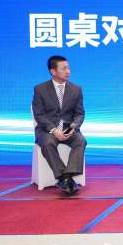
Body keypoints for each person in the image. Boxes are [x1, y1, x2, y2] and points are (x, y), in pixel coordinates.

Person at [32, 55, 86, 195]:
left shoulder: (76, 89)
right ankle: (64, 177)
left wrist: (74, 126)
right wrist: (54, 130)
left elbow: (80, 113)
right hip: (47, 130)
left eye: (69, 68)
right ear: (53, 71)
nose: (68, 71)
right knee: (48, 143)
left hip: (69, 129)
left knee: (81, 140)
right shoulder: (40, 89)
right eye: (64, 68)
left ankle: (66, 177)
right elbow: (39, 115)